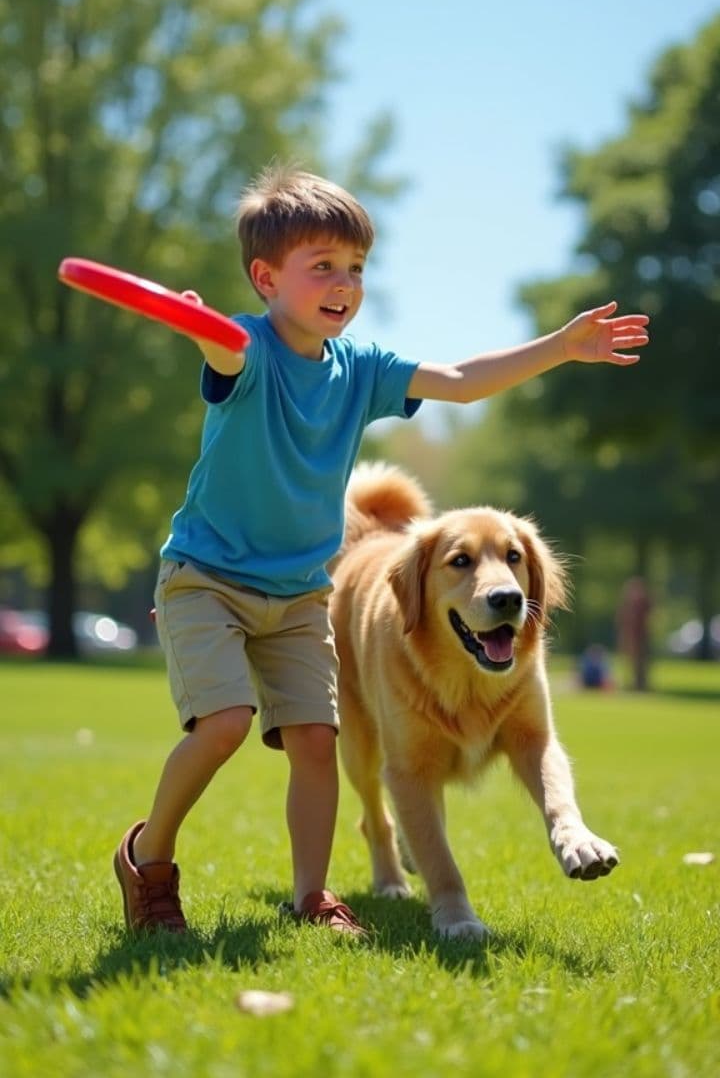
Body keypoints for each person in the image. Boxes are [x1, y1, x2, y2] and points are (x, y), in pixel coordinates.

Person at [114, 165, 650, 939]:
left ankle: (311, 898)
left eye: (356, 267)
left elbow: (459, 380)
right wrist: (203, 330)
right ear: (266, 280)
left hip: (300, 590)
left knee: (316, 741)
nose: (345, 283)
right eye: (323, 266)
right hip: (207, 577)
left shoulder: (359, 368)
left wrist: (562, 347)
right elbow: (225, 358)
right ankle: (148, 859)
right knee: (225, 724)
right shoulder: (248, 348)